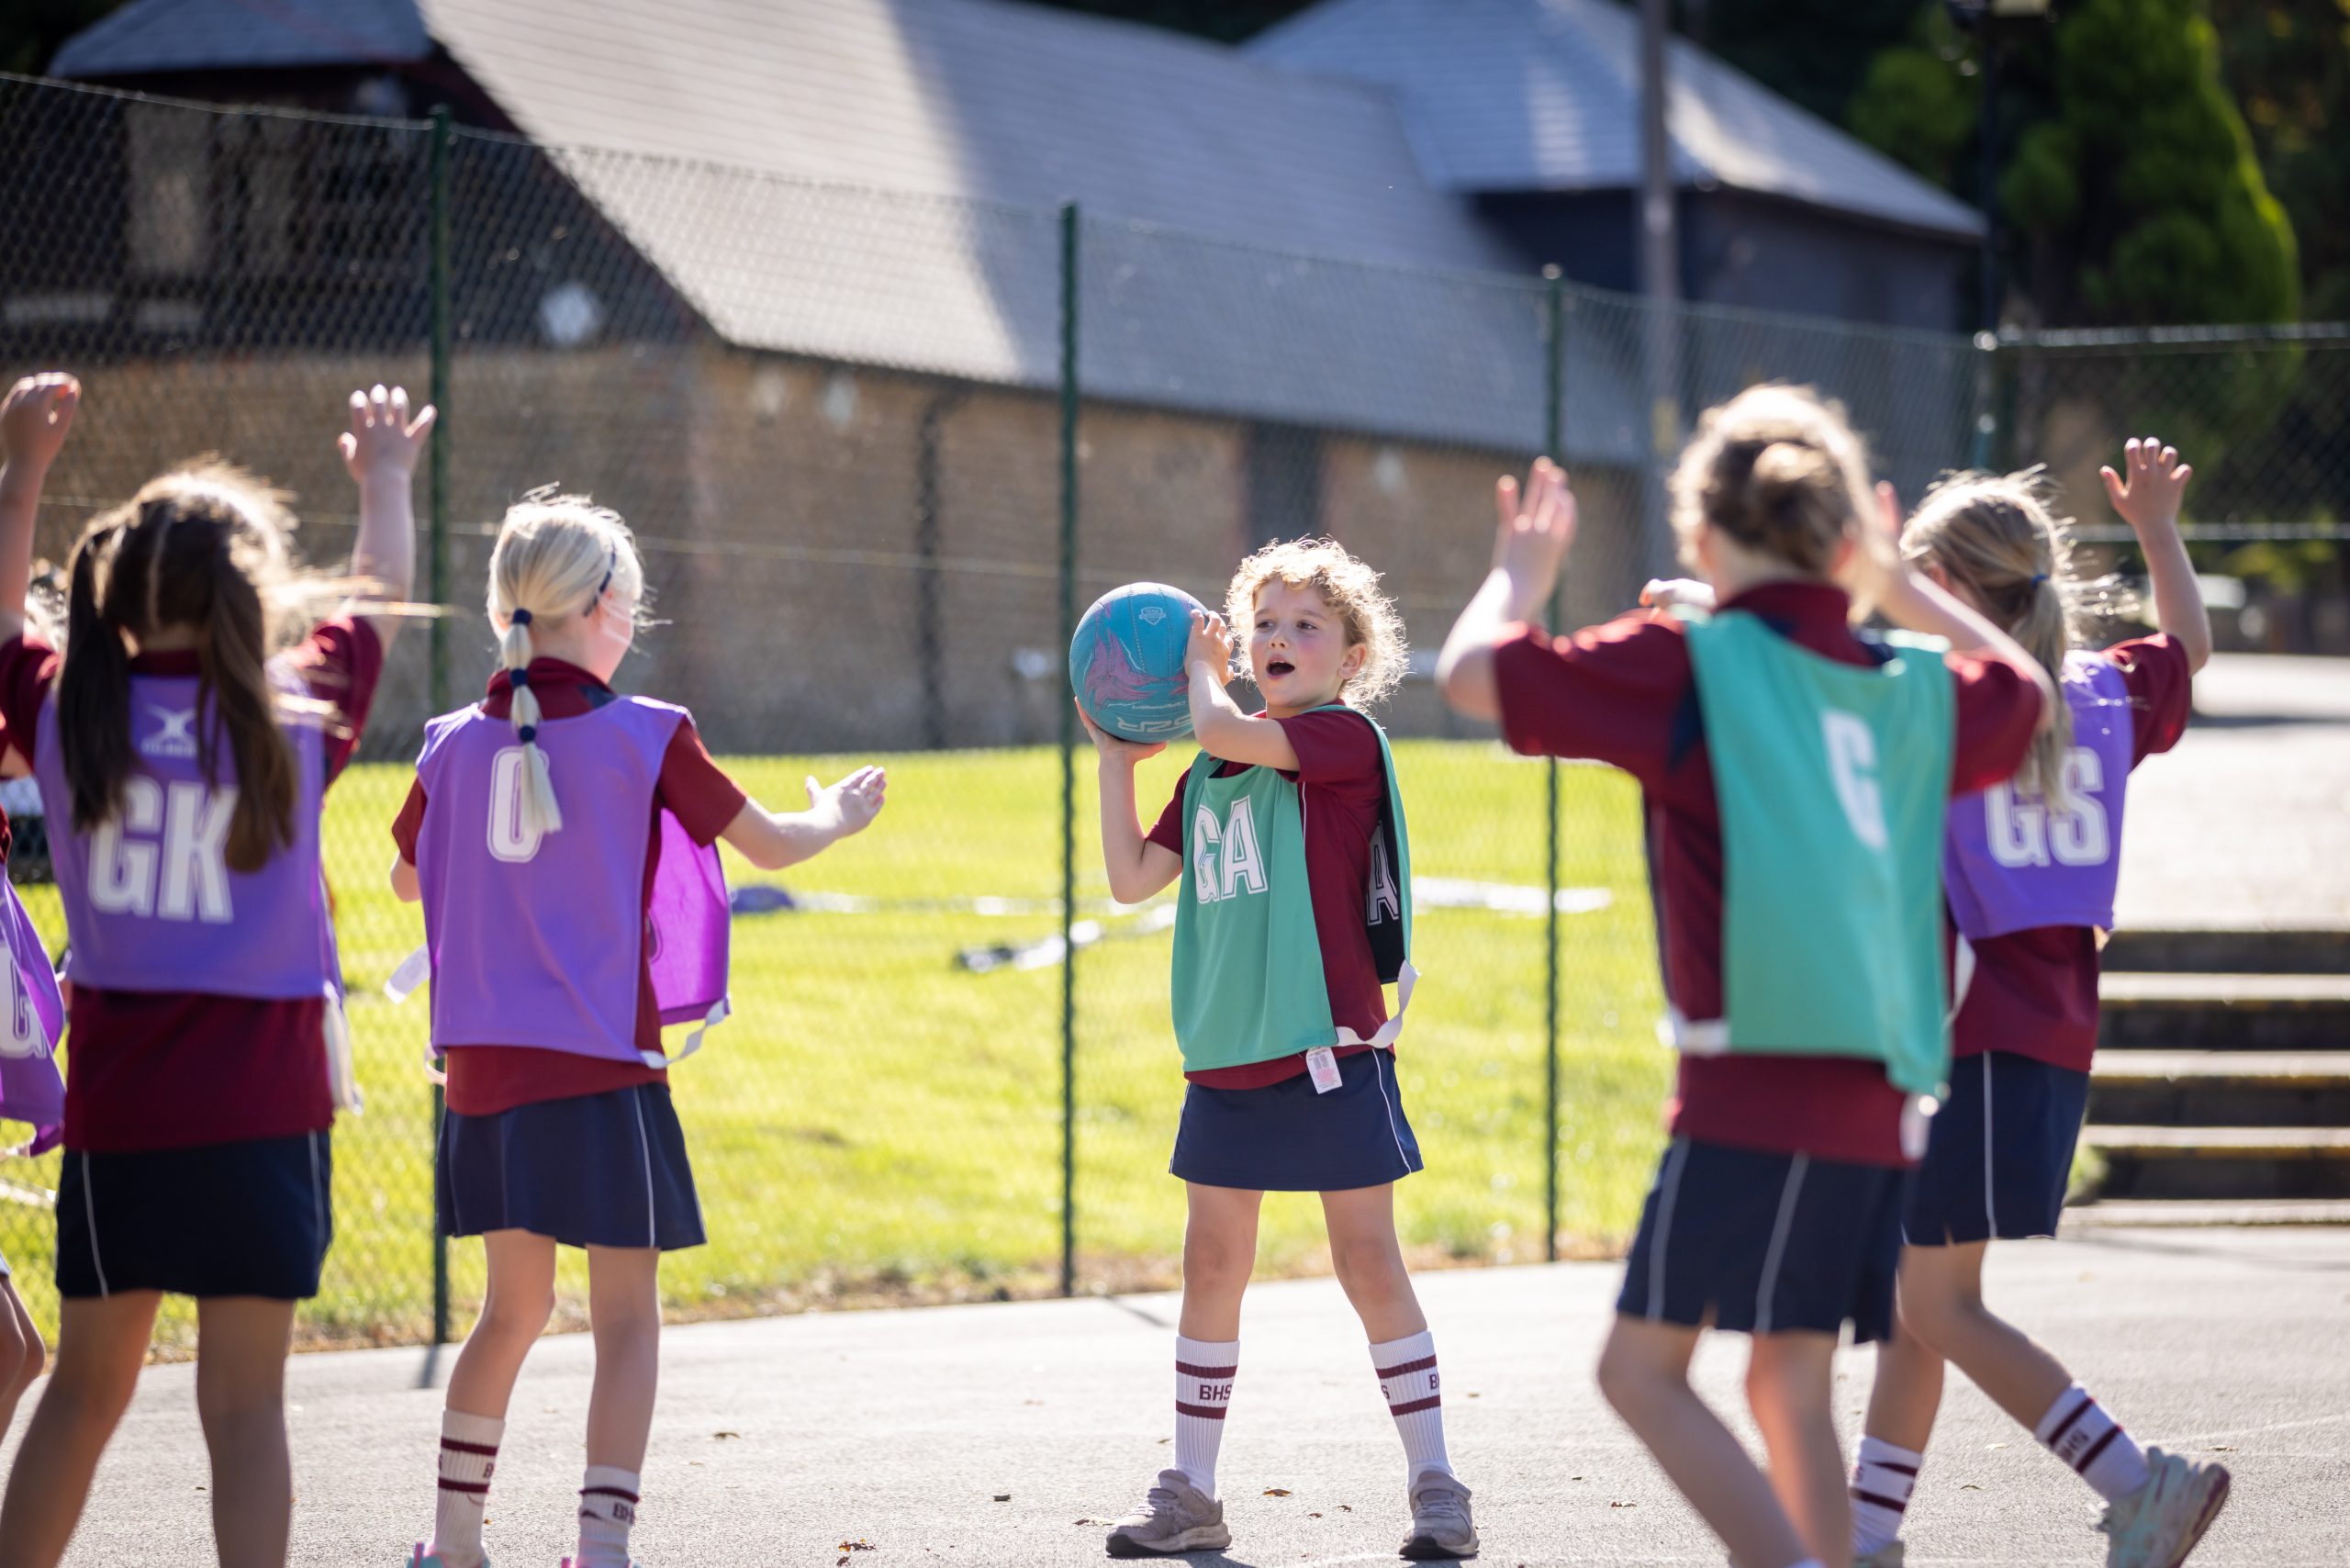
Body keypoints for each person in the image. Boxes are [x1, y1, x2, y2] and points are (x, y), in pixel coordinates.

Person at [1435, 385, 2051, 1568]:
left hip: (1750, 1086)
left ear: (1701, 538)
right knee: (1788, 1378)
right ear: (1847, 541)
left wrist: (1520, 569)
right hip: (1883, 1099)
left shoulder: (1688, 663)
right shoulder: (1903, 677)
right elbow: (2021, 693)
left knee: (1640, 1370)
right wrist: (1900, 586)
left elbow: (1473, 673)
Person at [389, 491, 886, 1568]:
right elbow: (769, 844)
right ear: (607, 605)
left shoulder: (443, 746)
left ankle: (454, 1541)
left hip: (480, 1075)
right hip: (604, 1070)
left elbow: (401, 876)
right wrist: (840, 813)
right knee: (625, 1319)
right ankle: (600, 1547)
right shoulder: (647, 732)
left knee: (506, 1313)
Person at [0, 373, 432, 1568]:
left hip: (124, 1111)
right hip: (263, 1110)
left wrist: (23, 474)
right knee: (245, 1416)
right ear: (254, 594)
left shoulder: (66, 716)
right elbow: (385, 592)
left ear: (120, 595)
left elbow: (1, 627)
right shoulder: (290, 718)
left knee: (84, 1397)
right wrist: (386, 477)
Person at [1848, 442, 2223, 1568]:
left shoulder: (1957, 700)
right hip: (2044, 1038)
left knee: (1939, 1304)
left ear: (1953, 594)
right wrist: (2157, 529)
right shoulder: (2102, 690)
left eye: (1917, 579)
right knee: (1924, 1296)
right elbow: (2190, 651)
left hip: (1975, 1034)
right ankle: (1866, 1536)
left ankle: (2136, 1478)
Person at [1084, 540, 1475, 1562]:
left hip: (1327, 1048)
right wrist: (1117, 759)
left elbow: (1213, 714)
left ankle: (1436, 1480)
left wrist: (1201, 677)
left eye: (1305, 626)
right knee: (1211, 1262)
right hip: (1226, 1055)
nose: (1276, 641)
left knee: (1367, 1261)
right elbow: (1130, 877)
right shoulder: (1214, 761)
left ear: (1350, 657)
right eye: (1262, 625)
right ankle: (1193, 1492)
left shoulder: (1340, 739)